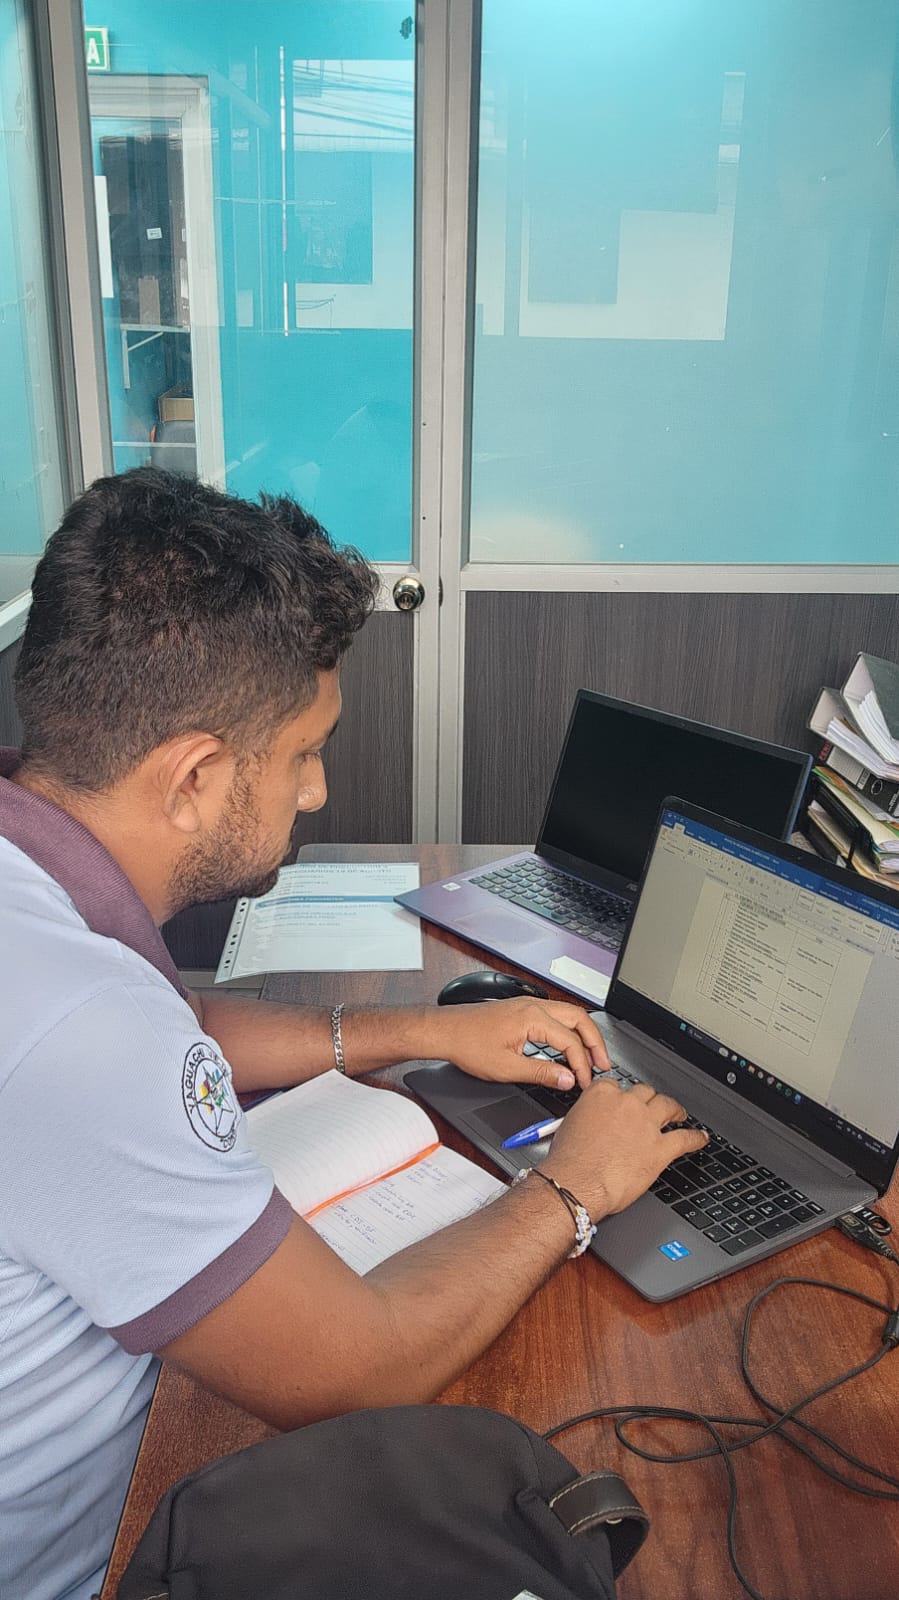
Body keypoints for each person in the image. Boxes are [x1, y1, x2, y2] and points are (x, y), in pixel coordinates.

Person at [0, 469, 706, 1600]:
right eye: (303, 752)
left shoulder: (31, 886)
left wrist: (423, 1031)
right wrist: (573, 1185)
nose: (318, 792)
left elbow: (175, 1020)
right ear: (193, 777)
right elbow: (356, 1371)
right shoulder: (79, 1027)